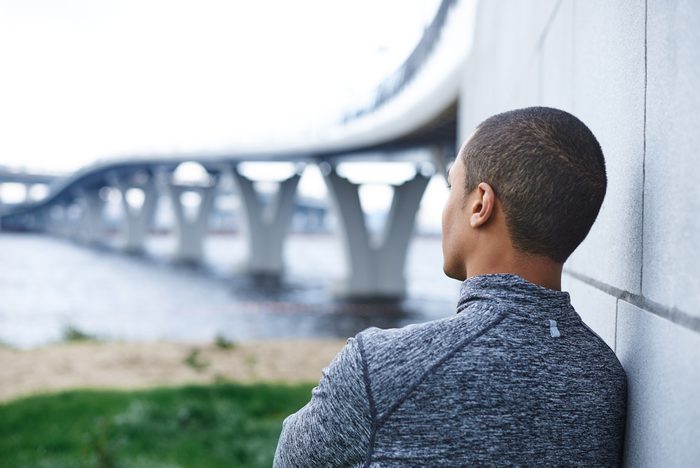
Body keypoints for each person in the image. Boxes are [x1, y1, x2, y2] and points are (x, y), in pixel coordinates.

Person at [273, 107, 627, 466]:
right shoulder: (604, 379)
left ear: (480, 204)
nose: (445, 207)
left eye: (450, 185)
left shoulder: (378, 368)